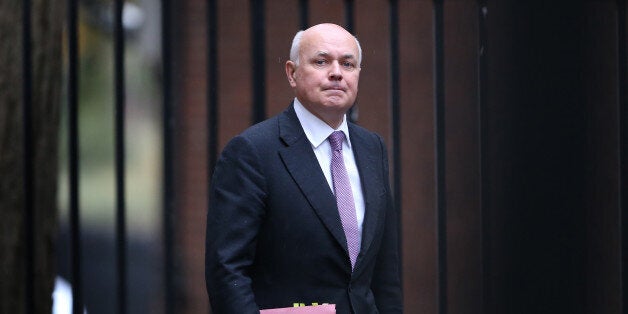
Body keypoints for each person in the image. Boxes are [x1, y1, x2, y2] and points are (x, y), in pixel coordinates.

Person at [205, 23, 402, 314]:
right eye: (321, 61)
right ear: (292, 73)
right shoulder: (252, 152)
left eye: (348, 63)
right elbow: (227, 272)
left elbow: (385, 272)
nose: (336, 72)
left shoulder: (372, 148)